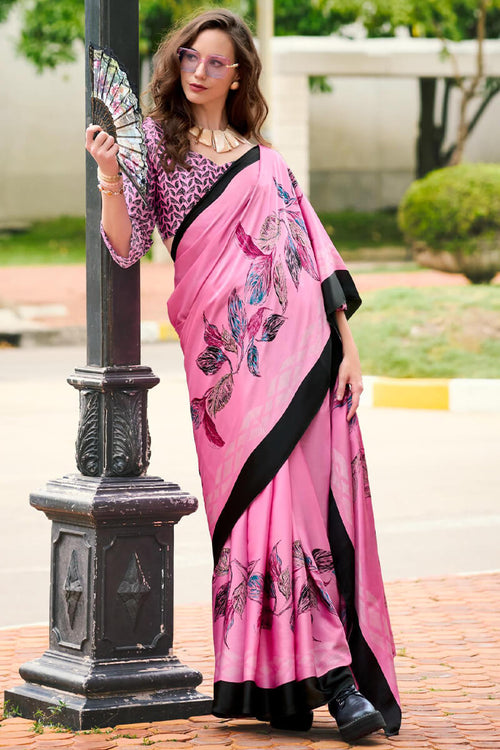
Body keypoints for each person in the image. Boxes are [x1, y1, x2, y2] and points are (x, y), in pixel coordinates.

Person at [85, 8, 401, 743]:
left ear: (239, 75)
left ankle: (326, 679)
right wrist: (109, 176)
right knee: (261, 511)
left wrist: (348, 349)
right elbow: (129, 247)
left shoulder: (268, 162)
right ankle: (313, 680)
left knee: (291, 506)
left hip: (295, 356)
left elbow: (315, 260)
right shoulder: (158, 155)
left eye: (215, 62)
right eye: (190, 57)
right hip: (225, 372)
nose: (198, 71)